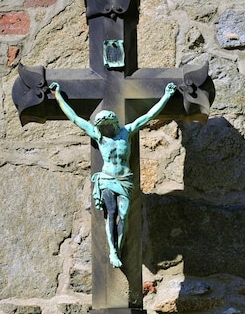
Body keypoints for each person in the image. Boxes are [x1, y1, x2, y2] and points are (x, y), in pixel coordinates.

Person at [49, 81, 177, 268]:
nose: (105, 130)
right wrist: (58, 96)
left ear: (114, 123)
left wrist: (166, 96)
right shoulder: (99, 137)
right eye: (102, 127)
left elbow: (150, 115)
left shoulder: (127, 132)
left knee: (124, 215)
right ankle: (113, 251)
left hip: (124, 180)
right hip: (107, 179)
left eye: (107, 126)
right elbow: (75, 119)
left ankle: (119, 246)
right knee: (112, 212)